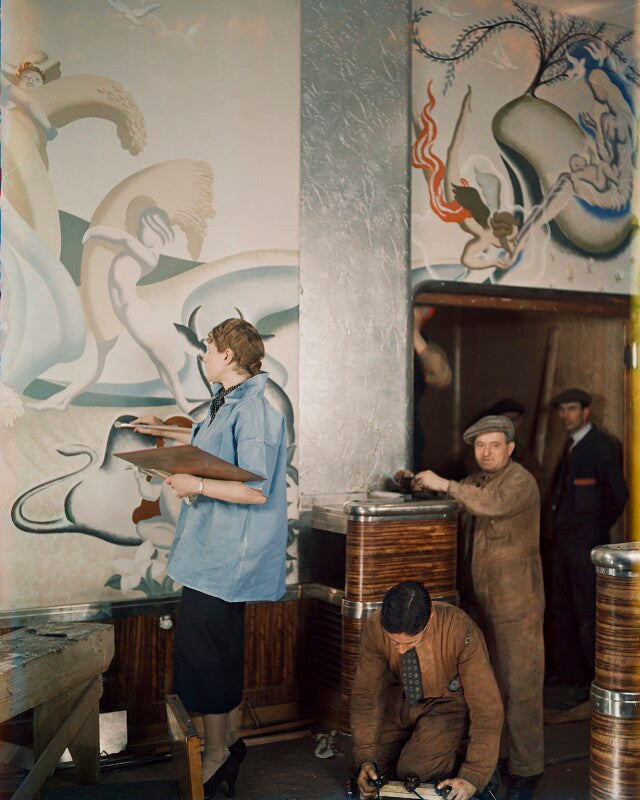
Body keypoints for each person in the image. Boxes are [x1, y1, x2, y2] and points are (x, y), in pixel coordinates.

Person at [133, 318, 288, 798]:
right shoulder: (230, 403)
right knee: (208, 654)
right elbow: (216, 453)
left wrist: (194, 485)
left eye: (209, 348)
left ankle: (220, 753)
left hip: (228, 560)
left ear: (229, 356)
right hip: (210, 555)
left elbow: (255, 489)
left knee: (211, 655)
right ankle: (225, 745)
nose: (204, 356)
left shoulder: (256, 410)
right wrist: (163, 432)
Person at [412, 416, 544, 800]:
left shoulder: (520, 482)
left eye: (494, 445)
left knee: (521, 686)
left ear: (510, 448)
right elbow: (453, 500)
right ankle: (499, 761)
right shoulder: (474, 482)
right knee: (490, 687)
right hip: (480, 600)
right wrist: (416, 483)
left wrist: (446, 483)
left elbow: (490, 505)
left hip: (516, 601)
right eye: (480, 446)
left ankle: (527, 770)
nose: (486, 453)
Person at [351, 581, 503, 800]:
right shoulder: (375, 626)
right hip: (398, 705)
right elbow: (366, 696)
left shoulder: (461, 629)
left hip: (444, 708)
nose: (401, 650)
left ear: (429, 618)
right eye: (394, 642)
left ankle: (465, 757)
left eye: (410, 642)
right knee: (371, 773)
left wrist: (474, 774)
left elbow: (486, 707)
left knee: (414, 773)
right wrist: (365, 758)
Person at [549, 388, 628, 685]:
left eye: (571, 409)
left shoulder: (600, 446)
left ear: (586, 412)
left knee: (587, 614)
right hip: (562, 546)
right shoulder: (570, 446)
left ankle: (595, 681)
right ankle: (571, 679)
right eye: (562, 409)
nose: (565, 415)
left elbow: (618, 495)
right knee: (563, 609)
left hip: (587, 546)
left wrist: (595, 528)